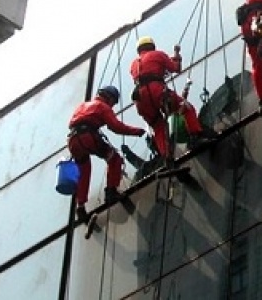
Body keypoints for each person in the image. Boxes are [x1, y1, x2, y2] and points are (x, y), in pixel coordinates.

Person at [67, 85, 145, 222]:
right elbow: (116, 127)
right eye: (113, 102)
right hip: (88, 137)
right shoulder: (102, 107)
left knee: (84, 170)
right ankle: (111, 192)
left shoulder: (83, 106)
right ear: (108, 97)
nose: (112, 106)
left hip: (73, 141)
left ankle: (80, 207)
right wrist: (136, 131)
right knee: (114, 159)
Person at [130, 36, 215, 157]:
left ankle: (167, 157)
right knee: (186, 107)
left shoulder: (134, 64)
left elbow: (149, 71)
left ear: (139, 50)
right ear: (152, 46)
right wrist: (177, 56)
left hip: (140, 99)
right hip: (157, 92)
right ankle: (196, 137)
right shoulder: (158, 55)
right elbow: (175, 68)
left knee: (158, 126)